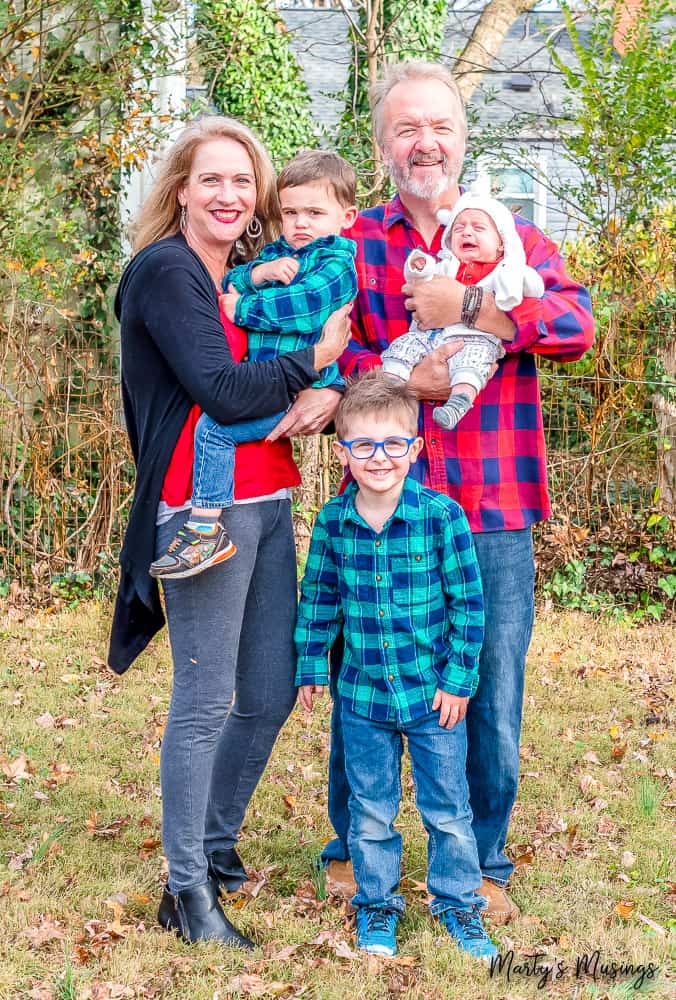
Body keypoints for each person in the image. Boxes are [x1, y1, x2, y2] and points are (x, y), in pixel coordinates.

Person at [322, 61, 595, 924]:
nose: (424, 143)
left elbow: (576, 324)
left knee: (486, 682)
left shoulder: (514, 238)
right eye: (405, 130)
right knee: (360, 669)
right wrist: (415, 384)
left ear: (463, 137)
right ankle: (351, 843)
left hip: (491, 506)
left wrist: (469, 305)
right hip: (380, 509)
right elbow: (333, 360)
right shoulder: (356, 243)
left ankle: (482, 859)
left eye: (438, 126)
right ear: (382, 148)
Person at [107, 116, 351, 946]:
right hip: (200, 509)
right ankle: (185, 893)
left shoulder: (244, 275)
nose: (228, 194)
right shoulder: (167, 272)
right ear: (182, 188)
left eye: (244, 182)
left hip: (268, 495)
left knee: (273, 687)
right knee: (206, 698)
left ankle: (211, 845)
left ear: (261, 200)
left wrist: (328, 381)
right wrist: (312, 363)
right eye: (212, 179)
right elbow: (221, 389)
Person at [295, 373, 497, 961]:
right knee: (372, 811)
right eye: (363, 445)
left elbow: (469, 605)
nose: (378, 458)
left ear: (415, 447)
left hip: (434, 698)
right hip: (362, 700)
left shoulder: (442, 518)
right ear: (342, 451)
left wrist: (459, 680)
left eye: (392, 444)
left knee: (449, 811)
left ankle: (459, 905)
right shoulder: (334, 522)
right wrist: (310, 664)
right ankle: (377, 905)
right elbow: (319, 596)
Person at [149, 149, 357, 580]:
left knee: (214, 430)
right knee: (217, 429)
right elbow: (233, 278)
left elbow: (302, 307)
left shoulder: (336, 263)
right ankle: (206, 528)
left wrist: (243, 307)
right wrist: (257, 278)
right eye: (291, 212)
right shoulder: (279, 252)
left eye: (315, 212)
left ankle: (205, 528)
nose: (301, 223)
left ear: (347, 216)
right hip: (270, 382)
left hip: (298, 388)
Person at [381, 184, 544, 429]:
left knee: (471, 363)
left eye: (478, 228)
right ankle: (389, 388)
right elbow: (423, 277)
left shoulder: (504, 269)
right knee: (403, 345)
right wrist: (418, 265)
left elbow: (538, 292)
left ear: (502, 243)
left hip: (473, 338)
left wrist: (471, 303)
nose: (467, 233)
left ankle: (460, 400)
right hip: (429, 335)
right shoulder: (447, 266)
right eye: (458, 229)